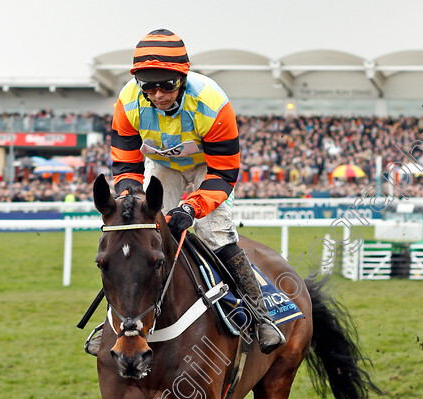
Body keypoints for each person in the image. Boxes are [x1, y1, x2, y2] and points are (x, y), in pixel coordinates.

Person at [86, 28, 285, 356]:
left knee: (213, 232)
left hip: (209, 166)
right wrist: (131, 198)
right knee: (134, 235)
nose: (158, 95)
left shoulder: (212, 103)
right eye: (148, 86)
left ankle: (261, 315)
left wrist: (190, 209)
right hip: (162, 165)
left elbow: (223, 173)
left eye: (167, 85)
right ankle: (116, 321)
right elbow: (126, 166)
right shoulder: (127, 102)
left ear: (182, 77)